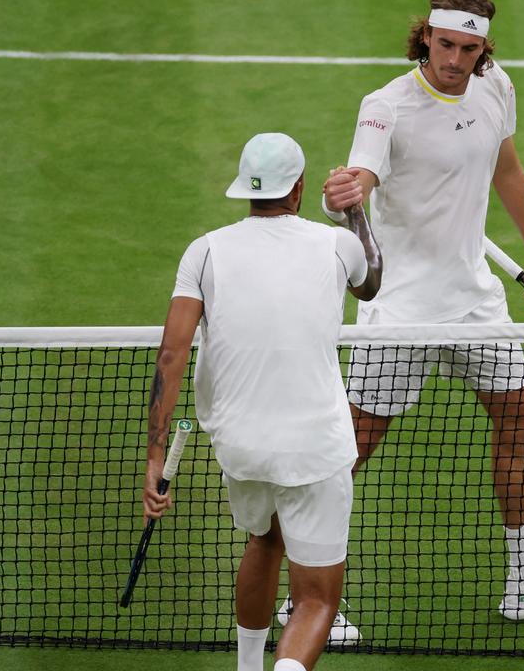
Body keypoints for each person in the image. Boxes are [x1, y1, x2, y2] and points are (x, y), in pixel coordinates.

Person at [286, 0, 524, 637]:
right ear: (425, 38)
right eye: (444, 45)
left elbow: (508, 171)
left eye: (469, 48)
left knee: (522, 418)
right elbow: (360, 181)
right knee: (349, 448)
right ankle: (298, 596)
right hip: (401, 312)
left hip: (475, 301)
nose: (455, 60)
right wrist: (343, 192)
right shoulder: (386, 108)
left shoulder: (496, 88)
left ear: (483, 45)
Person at [143, 132, 382, 671]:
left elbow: (171, 356)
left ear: (245, 188)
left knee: (264, 539)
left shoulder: (203, 251)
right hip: (314, 450)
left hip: (241, 448)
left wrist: (155, 459)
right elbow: (372, 284)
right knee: (317, 599)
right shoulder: (336, 245)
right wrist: (355, 213)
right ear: (298, 187)